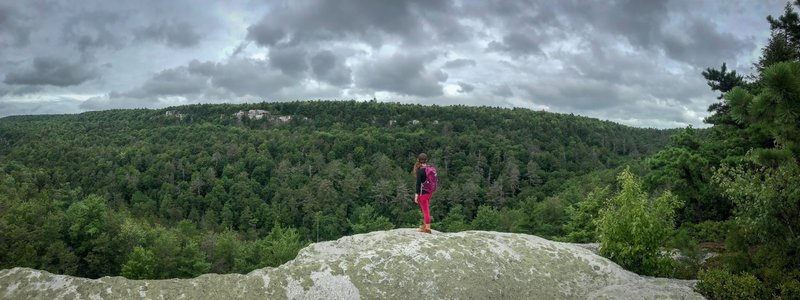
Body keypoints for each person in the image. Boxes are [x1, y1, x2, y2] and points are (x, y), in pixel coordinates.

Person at [413, 153, 432, 234]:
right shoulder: (429, 168)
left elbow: (418, 184)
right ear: (426, 160)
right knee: (426, 208)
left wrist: (416, 195)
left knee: (425, 210)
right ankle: (425, 225)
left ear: (418, 160)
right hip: (429, 192)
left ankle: (427, 228)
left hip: (422, 193)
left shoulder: (420, 170)